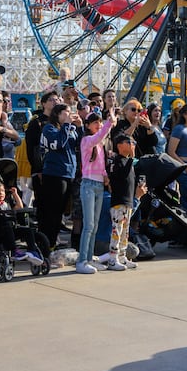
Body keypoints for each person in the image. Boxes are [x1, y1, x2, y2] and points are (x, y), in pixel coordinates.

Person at [37, 102, 81, 251]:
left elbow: (80, 145)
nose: (69, 115)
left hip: (68, 174)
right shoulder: (49, 128)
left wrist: (79, 128)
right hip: (55, 175)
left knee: (60, 212)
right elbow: (57, 143)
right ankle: (47, 243)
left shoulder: (69, 129)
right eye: (65, 112)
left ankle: (52, 242)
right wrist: (67, 126)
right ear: (57, 114)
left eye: (70, 112)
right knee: (53, 212)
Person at [77, 110, 116, 273]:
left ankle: (89, 257)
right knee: (89, 225)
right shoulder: (87, 140)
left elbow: (100, 165)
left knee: (94, 225)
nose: (98, 125)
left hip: (99, 185)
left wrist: (106, 177)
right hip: (88, 184)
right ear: (87, 125)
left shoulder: (99, 145)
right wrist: (109, 123)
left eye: (99, 122)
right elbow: (98, 136)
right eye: (95, 122)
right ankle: (82, 261)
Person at [104, 133, 146, 270]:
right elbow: (120, 175)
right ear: (120, 145)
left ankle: (122, 256)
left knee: (125, 232)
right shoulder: (117, 161)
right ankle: (112, 258)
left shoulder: (129, 163)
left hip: (128, 202)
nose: (132, 145)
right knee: (117, 231)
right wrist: (132, 157)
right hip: (118, 201)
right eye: (129, 142)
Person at [0, 179, 43, 266]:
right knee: (7, 226)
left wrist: (15, 194)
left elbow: (19, 207)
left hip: (12, 229)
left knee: (28, 230)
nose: (1, 193)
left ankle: (32, 251)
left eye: (3, 191)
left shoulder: (6, 203)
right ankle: (14, 251)